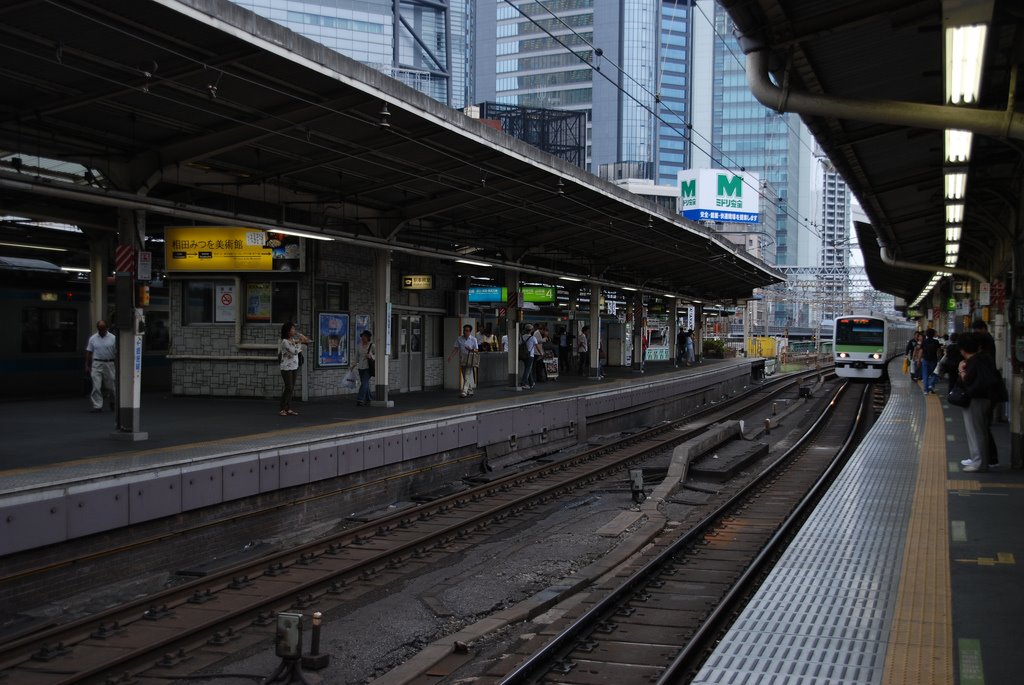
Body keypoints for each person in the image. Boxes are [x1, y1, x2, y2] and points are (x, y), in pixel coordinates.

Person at [956, 333, 1001, 472]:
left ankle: (979, 462)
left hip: (976, 399)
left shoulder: (973, 361)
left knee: (975, 432)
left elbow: (968, 380)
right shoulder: (984, 358)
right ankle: (982, 460)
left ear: (963, 349)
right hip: (986, 398)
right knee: (981, 431)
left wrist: (961, 371)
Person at [85, 319, 117, 413]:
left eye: (103, 328)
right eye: (99, 328)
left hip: (109, 363)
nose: (101, 330)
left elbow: (117, 352)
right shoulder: (93, 338)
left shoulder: (113, 338)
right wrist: (87, 365)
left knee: (111, 386)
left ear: (107, 328)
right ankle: (97, 406)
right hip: (97, 363)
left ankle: (113, 402)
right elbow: (89, 351)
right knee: (96, 385)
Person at [278, 321, 309, 416]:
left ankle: (288, 408)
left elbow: (305, 342)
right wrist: (300, 341)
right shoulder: (284, 342)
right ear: (288, 331)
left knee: (291, 389)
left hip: (294, 366)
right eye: (292, 329)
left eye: (294, 329)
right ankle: (282, 408)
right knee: (289, 387)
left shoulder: (292, 340)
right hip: (286, 368)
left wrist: (303, 340)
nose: (294, 331)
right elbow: (295, 352)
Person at [448, 324, 480, 397]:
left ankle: (464, 391)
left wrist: (471, 349)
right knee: (464, 375)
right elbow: (456, 349)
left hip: (470, 358)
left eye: (467, 331)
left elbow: (477, 350)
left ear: (470, 332)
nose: (465, 332)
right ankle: (470, 390)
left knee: (467, 375)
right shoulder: (459, 339)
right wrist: (451, 356)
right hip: (462, 358)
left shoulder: (473, 339)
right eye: (464, 330)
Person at [353, 330, 376, 406]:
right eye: (362, 336)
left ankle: (360, 399)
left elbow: (377, 356)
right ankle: (369, 399)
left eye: (364, 336)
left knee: (364, 383)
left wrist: (371, 356)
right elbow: (356, 357)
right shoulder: (359, 346)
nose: (362, 338)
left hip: (368, 367)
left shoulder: (372, 345)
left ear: (368, 338)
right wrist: (353, 366)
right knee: (364, 384)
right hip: (360, 368)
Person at [919, 327, 942, 394]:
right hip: (933, 360)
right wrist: (939, 359)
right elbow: (939, 351)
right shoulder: (936, 342)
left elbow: (921, 351)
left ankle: (926, 391)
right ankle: (931, 385)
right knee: (934, 374)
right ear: (933, 334)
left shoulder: (924, 341)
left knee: (925, 375)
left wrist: (919, 360)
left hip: (925, 360)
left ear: (926, 334)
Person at [519, 324, 537, 388]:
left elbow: (520, 344)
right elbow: (537, 346)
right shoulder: (533, 338)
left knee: (528, 369)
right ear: (531, 330)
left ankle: (531, 382)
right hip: (530, 355)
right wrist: (541, 353)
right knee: (527, 370)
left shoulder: (522, 337)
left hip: (523, 355)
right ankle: (523, 383)